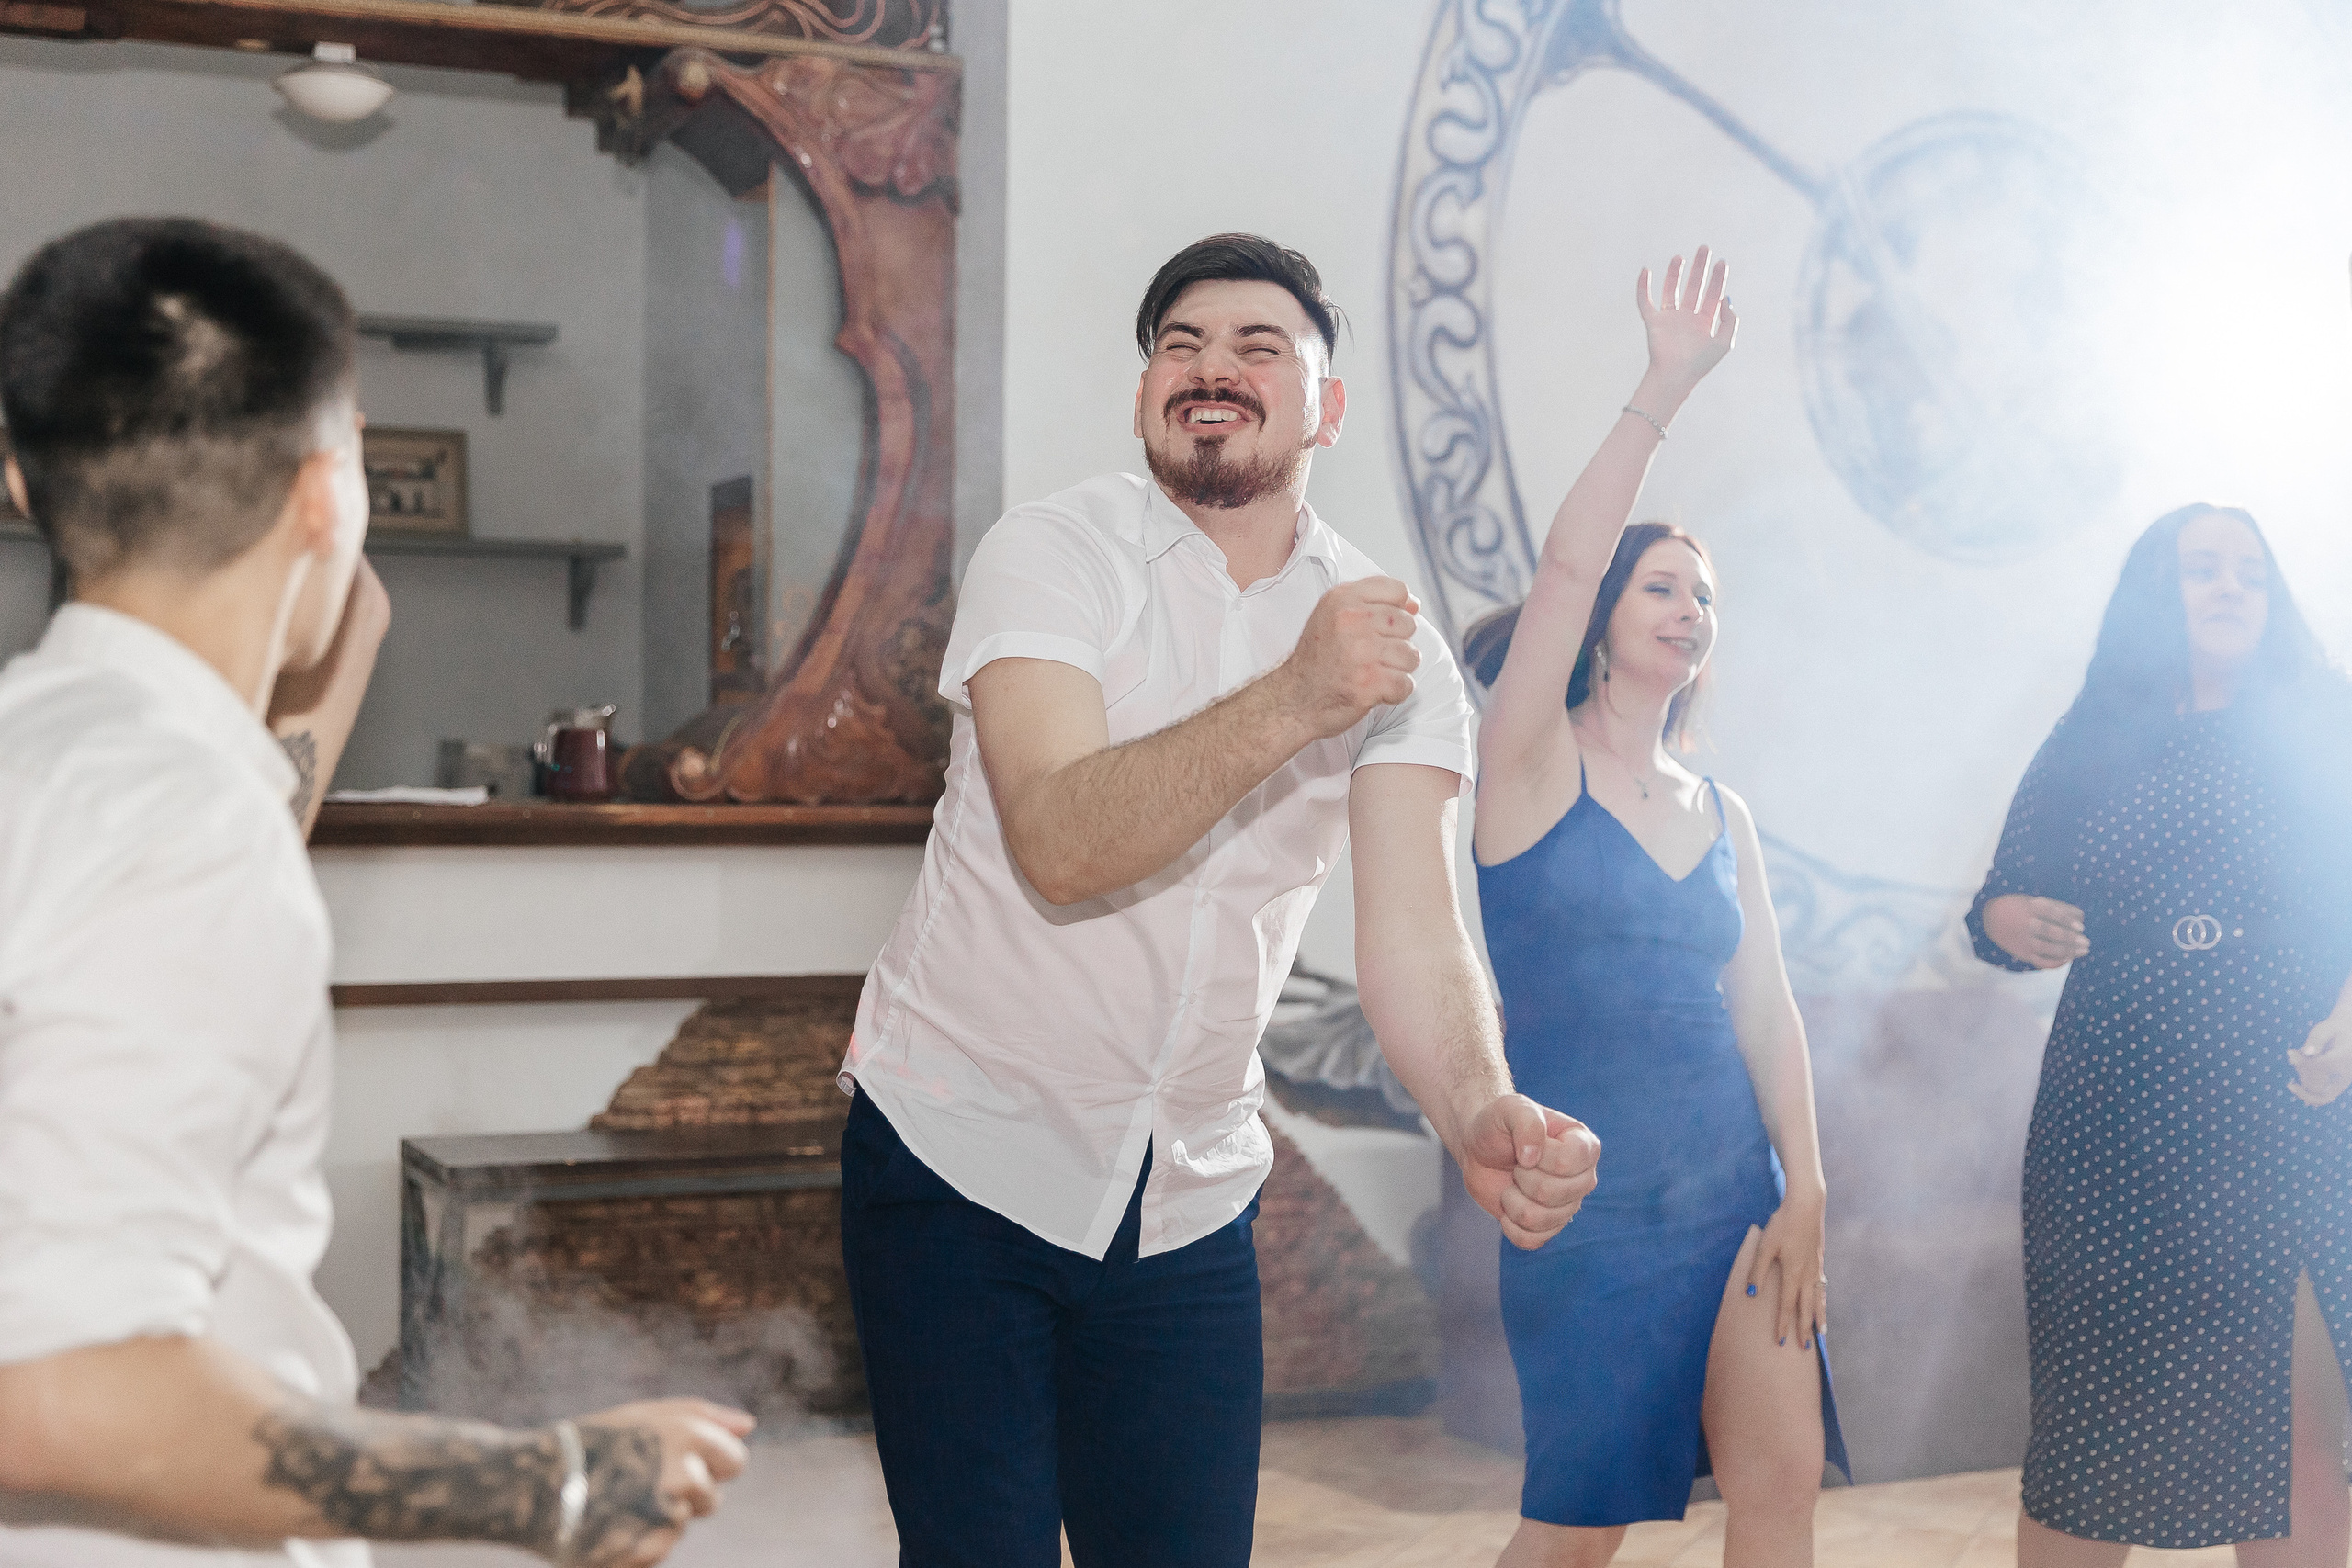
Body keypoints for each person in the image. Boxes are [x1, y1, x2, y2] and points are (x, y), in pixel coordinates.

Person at [835, 232, 1602, 1567]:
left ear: (1327, 407)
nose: (1213, 368)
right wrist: (1300, 692)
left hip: (1186, 1191)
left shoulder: (1387, 644)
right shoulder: (1052, 555)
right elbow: (1063, 841)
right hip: (959, 1152)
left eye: (1259, 347)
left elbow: (1419, 931)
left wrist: (1476, 1101)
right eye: (1180, 346)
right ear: (1147, 396)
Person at [0, 218, 752, 1568]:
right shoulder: (184, 826)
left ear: (22, 482)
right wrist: (546, 1477)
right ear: (327, 489)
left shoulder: (50, 745)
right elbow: (58, 1391)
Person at [1464, 248, 1846, 1568]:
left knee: (1782, 1479)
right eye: (1666, 585)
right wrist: (1662, 387)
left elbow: (1769, 1010)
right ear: (1608, 614)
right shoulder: (1524, 764)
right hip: (1587, 1202)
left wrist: (1806, 1184)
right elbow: (1564, 565)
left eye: (1709, 598)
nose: (1692, 610)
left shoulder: (1719, 807)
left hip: (1734, 1190)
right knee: (1580, 1529)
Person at [1968, 504, 2352, 1568]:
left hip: (2290, 1102)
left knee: (2296, 1436)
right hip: (2115, 1111)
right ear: (2156, 591)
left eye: (2250, 573)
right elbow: (1998, 902)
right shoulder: (2095, 728)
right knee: (2089, 1432)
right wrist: (2007, 922)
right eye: (2201, 570)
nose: (2229, 588)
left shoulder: (2326, 718)